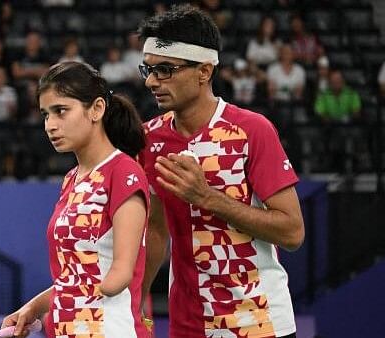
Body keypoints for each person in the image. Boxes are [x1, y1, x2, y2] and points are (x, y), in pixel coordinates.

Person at [137, 5, 304, 338]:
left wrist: (207, 198)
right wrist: (137, 298)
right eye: (149, 70)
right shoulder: (149, 139)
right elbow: (156, 229)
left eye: (166, 70)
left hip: (259, 322)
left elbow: (292, 233)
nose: (152, 81)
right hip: (188, 325)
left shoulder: (251, 130)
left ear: (204, 71)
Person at [1, 61, 151, 338]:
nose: (50, 125)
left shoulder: (124, 172)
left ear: (96, 109)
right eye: (46, 114)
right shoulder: (71, 179)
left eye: (61, 111)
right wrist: (33, 308)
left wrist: (67, 302)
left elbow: (120, 273)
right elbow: (74, 275)